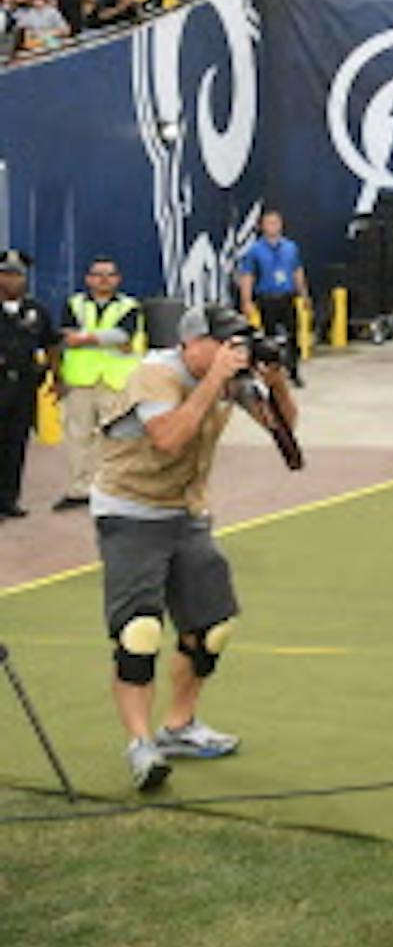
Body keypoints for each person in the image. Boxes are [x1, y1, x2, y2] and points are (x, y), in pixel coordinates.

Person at [94, 303, 296, 790]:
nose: (234, 350)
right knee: (139, 632)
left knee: (212, 629)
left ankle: (179, 727)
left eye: (238, 342)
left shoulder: (231, 379)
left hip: (186, 513)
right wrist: (214, 382)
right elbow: (170, 439)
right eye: (224, 341)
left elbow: (284, 430)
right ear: (191, 343)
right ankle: (140, 745)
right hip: (131, 511)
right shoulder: (155, 375)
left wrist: (276, 382)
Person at [55, 257, 141, 510]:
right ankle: (79, 490)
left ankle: (112, 489)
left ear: (118, 279)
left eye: (109, 275)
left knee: (116, 439)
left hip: (115, 383)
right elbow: (67, 337)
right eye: (98, 274)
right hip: (80, 381)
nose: (104, 280)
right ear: (88, 279)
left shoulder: (129, 306)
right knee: (77, 437)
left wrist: (85, 338)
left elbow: (123, 336)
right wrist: (104, 339)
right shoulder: (74, 304)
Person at [0, 249, 60, 519]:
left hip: (24, 387)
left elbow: (51, 344)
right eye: (6, 274)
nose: (12, 280)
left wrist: (57, 377)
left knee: (16, 444)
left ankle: (8, 501)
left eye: (18, 275)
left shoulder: (36, 311)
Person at [235, 210, 309, 386]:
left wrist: (304, 293)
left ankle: (293, 371)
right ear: (262, 227)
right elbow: (248, 276)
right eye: (269, 223)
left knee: (293, 335)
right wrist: (246, 300)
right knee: (269, 338)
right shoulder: (255, 251)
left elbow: (297, 270)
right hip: (267, 298)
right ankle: (271, 375)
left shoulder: (290, 247)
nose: (273, 226)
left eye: (276, 223)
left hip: (287, 297)